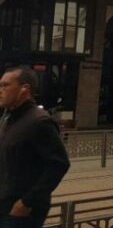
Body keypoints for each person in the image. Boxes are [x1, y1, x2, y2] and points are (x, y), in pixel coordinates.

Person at [0, 67, 70, 228]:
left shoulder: (39, 122)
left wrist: (26, 202)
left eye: (5, 86)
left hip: (20, 213)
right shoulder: (8, 119)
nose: (0, 91)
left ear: (25, 89)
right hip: (5, 204)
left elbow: (59, 164)